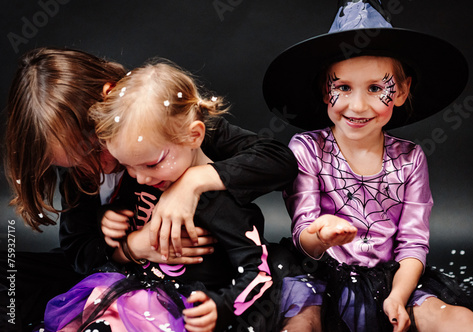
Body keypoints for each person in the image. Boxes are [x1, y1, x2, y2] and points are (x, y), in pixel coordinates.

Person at [3, 47, 298, 329]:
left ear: (107, 102)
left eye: (93, 150)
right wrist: (131, 245)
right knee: (13, 276)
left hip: (207, 273)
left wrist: (190, 183)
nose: (94, 168)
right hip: (125, 271)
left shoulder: (171, 127)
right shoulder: (84, 176)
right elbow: (79, 252)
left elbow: (278, 160)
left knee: (284, 267)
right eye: (72, 164)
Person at [263, 0, 473, 331]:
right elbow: (304, 236)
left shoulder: (410, 158)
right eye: (342, 87)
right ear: (323, 90)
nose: (357, 106)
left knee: (452, 316)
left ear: (401, 91)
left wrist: (398, 296)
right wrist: (322, 234)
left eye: (376, 88)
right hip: (320, 274)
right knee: (302, 317)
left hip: (392, 278)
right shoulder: (308, 149)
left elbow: (413, 243)